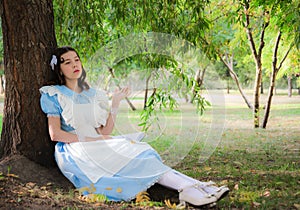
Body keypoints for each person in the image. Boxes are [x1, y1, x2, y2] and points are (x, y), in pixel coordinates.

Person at [39, 46, 229, 207]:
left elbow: (105, 132)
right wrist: (93, 140)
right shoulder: (54, 94)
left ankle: (196, 188)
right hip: (76, 149)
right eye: (67, 62)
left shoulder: (91, 94)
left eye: (77, 60)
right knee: (138, 156)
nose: (74, 65)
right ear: (59, 69)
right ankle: (194, 190)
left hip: (97, 143)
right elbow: (55, 134)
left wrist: (115, 104)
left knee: (142, 153)